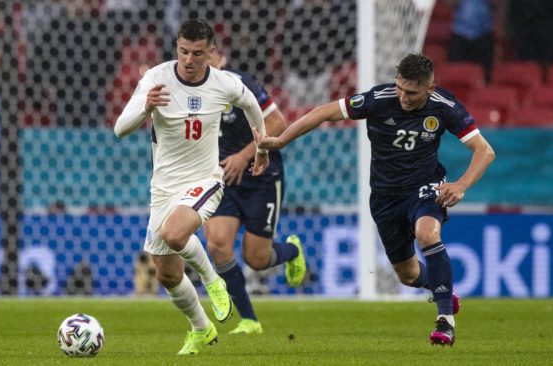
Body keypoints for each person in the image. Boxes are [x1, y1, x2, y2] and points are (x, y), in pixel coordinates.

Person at [256, 53, 495, 346]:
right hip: (384, 196)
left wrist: (461, 185)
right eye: (400, 88)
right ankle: (441, 287)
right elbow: (324, 112)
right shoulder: (378, 99)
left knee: (427, 232)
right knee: (407, 275)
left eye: (412, 92)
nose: (403, 97)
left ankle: (444, 321)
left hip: (425, 186)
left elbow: (485, 151)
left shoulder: (445, 106)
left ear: (429, 90)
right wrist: (281, 141)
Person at [114, 19, 270, 355]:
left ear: (210, 53)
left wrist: (261, 147)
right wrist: (146, 107)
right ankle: (201, 329)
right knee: (167, 274)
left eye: (197, 53)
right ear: (177, 48)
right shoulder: (156, 79)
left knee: (174, 234)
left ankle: (213, 281)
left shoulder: (224, 83)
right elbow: (119, 129)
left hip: (204, 181)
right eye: (183, 51)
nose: (189, 59)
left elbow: (253, 107)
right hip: (163, 188)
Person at [204, 47, 307, 335]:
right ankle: (249, 320)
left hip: (261, 174)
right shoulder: (190, 94)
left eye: (203, 55)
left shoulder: (240, 84)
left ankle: (291, 250)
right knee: (217, 244)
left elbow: (277, 123)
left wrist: (244, 155)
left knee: (257, 258)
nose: (197, 62)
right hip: (223, 177)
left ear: (217, 56)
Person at [446, 0, 499, 82]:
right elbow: (451, 3)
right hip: (461, 33)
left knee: (485, 75)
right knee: (457, 74)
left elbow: (497, 4)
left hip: (484, 34)